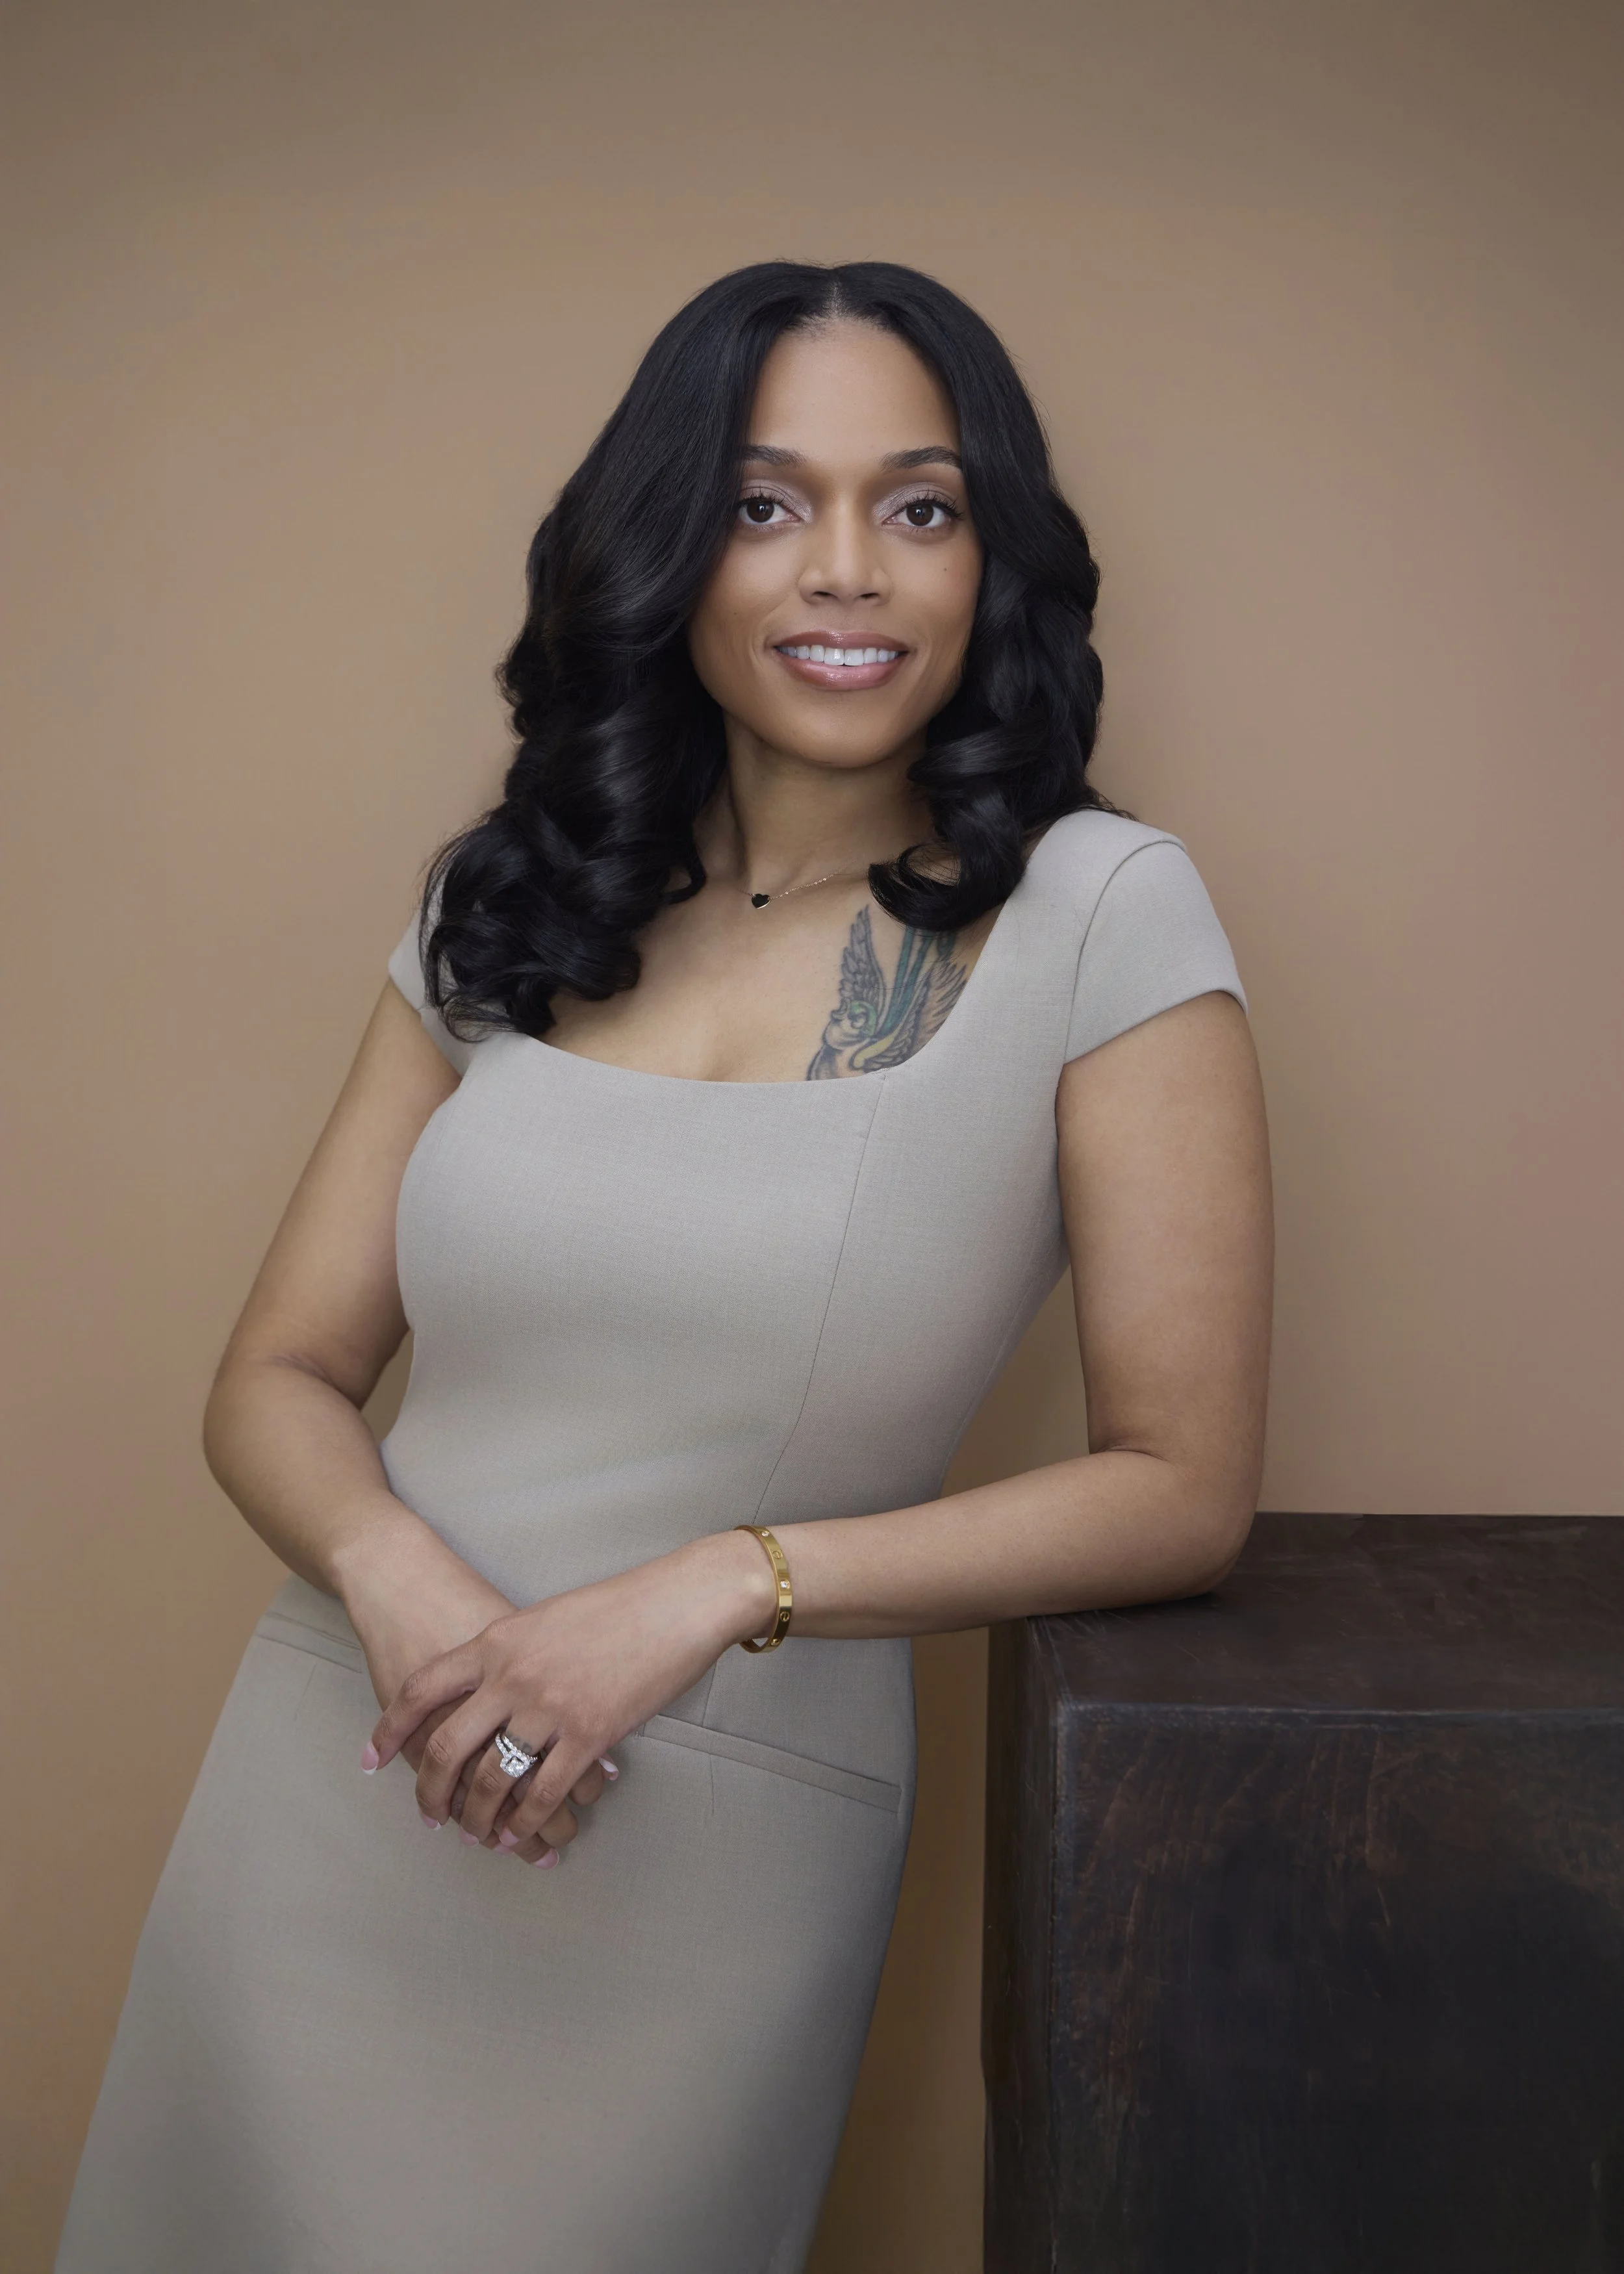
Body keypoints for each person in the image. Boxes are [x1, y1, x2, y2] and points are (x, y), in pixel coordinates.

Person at [56, 261, 1273, 2273]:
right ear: (668, 547)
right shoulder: (515, 891)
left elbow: (1180, 1484)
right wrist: (405, 1589)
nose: (846, 567)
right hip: (346, 1774)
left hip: (705, 1838)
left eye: (920, 504)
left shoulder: (1101, 912)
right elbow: (275, 1374)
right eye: (765, 502)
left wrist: (719, 1582)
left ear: (991, 557)